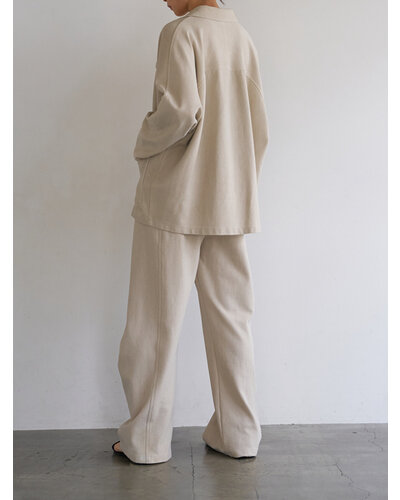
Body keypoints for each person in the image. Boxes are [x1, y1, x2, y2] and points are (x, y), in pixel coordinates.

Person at [113, 0, 269, 464]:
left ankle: (146, 440)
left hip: (174, 200)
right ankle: (238, 435)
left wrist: (142, 145)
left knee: (154, 323)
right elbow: (260, 132)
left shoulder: (181, 33)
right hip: (229, 200)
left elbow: (180, 112)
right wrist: (238, 184)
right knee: (232, 320)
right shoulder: (242, 39)